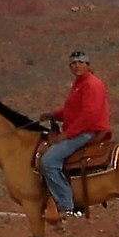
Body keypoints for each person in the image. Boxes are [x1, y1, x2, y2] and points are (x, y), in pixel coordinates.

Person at [41, 49, 111, 219]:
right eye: (73, 63)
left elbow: (89, 114)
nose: (76, 66)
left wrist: (68, 134)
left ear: (88, 65)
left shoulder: (91, 84)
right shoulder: (79, 84)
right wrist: (54, 115)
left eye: (80, 62)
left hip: (87, 132)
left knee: (49, 161)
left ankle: (66, 205)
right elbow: (73, 110)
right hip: (81, 129)